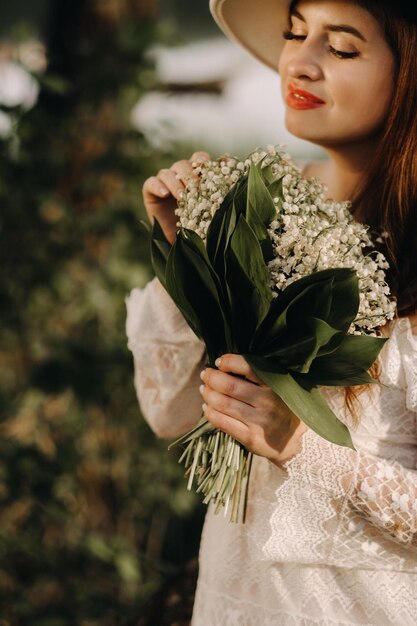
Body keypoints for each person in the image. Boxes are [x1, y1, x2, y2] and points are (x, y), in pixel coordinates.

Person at [126, 0, 417, 623]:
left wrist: (297, 444)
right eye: (294, 34)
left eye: (340, 48)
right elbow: (170, 413)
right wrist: (186, 258)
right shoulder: (259, 209)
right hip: (235, 599)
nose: (300, 63)